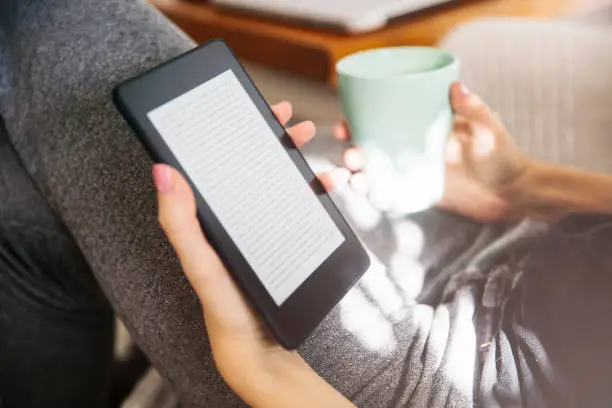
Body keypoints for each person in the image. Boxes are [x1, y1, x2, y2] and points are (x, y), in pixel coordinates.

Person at [1, 1, 612, 407]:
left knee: (43, 20)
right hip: (502, 254)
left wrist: (260, 363)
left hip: (438, 376)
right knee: (22, 191)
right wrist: (522, 184)